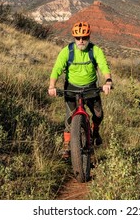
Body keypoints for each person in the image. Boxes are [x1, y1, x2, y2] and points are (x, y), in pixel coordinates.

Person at [48, 22, 113, 158]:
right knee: (69, 117)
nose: (81, 41)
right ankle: (67, 145)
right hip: (71, 88)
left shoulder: (95, 50)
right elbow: (57, 69)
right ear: (74, 38)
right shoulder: (67, 51)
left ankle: (95, 131)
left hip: (91, 87)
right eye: (78, 38)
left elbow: (103, 66)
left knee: (98, 114)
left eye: (84, 37)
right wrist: (52, 86)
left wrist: (108, 81)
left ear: (88, 36)